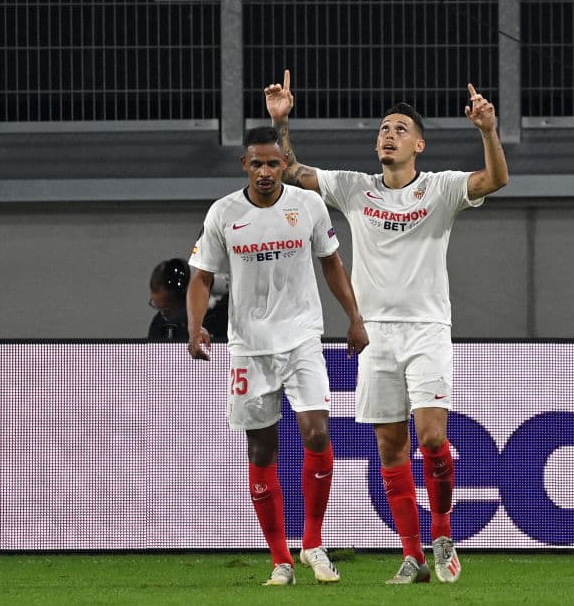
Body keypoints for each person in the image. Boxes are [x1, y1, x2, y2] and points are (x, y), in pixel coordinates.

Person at [263, 70, 508, 584]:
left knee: (432, 438)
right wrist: (281, 122)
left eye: (400, 129)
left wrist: (488, 130)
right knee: (391, 449)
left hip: (426, 329)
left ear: (419, 144)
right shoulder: (356, 189)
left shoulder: (440, 189)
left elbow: (495, 180)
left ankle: (442, 533)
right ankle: (413, 556)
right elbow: (292, 172)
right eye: (383, 128)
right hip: (374, 333)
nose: (389, 134)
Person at [186, 126, 369, 587]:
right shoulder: (223, 213)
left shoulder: (307, 206)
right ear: (244, 165)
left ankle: (313, 543)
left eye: (273, 163)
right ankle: (280, 560)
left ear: (284, 164)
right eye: (257, 163)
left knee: (317, 433)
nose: (266, 171)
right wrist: (195, 326)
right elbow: (201, 276)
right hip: (249, 347)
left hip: (302, 337)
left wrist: (355, 318)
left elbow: (332, 263)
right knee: (261, 448)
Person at [147, 258, 228, 342]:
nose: (163, 314)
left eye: (166, 308)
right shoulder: (159, 326)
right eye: (157, 306)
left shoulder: (221, 318)